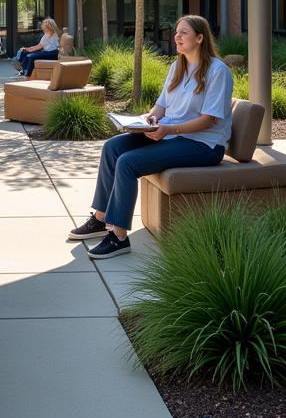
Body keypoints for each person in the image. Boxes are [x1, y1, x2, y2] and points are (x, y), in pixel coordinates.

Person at [68, 15, 233, 258]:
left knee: (128, 162)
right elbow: (161, 107)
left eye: (183, 33)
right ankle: (101, 218)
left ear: (200, 38)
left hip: (204, 145)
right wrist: (150, 118)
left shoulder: (218, 72)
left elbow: (209, 119)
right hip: (170, 134)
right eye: (176, 32)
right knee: (112, 148)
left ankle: (119, 237)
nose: (176, 36)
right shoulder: (178, 66)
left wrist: (168, 129)